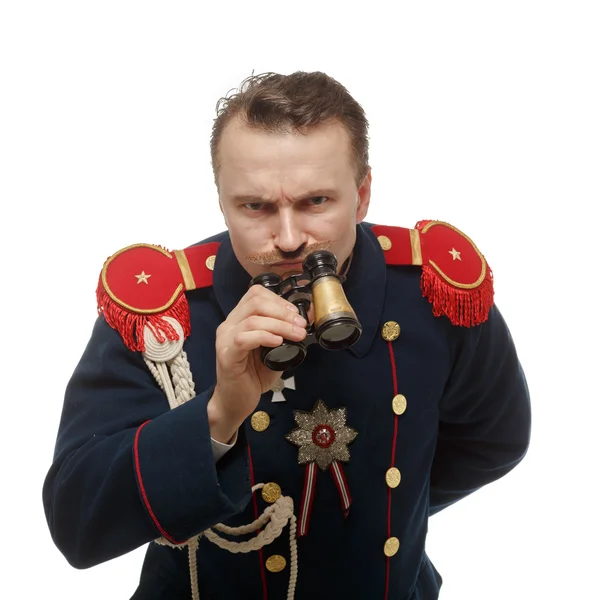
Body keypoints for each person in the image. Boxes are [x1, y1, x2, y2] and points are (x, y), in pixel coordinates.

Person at [42, 71, 531, 600]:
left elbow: (494, 439)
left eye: (316, 202)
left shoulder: (432, 288)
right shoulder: (162, 313)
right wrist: (219, 414)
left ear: (363, 195)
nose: (290, 239)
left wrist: (381, 509)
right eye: (256, 207)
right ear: (222, 201)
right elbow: (78, 525)